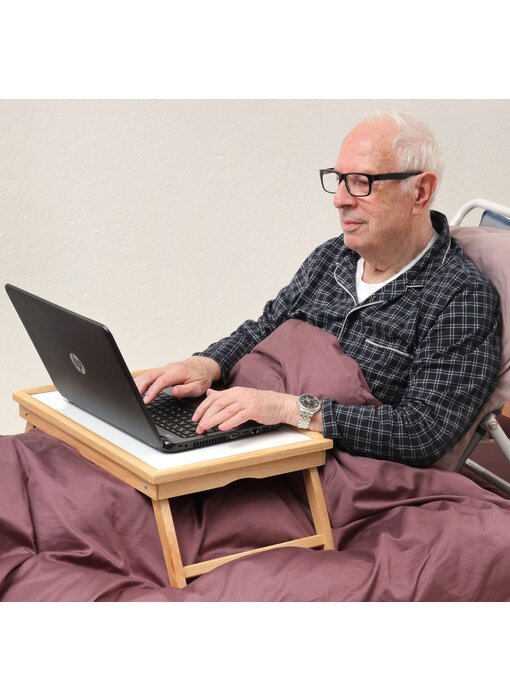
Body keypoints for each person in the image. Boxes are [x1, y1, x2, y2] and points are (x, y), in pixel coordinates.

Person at [135, 112, 501, 468]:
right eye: (339, 179)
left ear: (420, 191)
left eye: (361, 182)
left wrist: (287, 408)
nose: (339, 199)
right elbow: (265, 327)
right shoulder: (332, 257)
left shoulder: (460, 298)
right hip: (247, 435)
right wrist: (205, 364)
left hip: (326, 469)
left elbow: (423, 432)